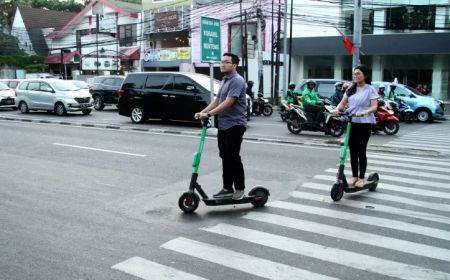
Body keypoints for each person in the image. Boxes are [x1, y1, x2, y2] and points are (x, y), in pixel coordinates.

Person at [194, 52, 247, 200]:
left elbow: (229, 102)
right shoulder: (225, 80)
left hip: (235, 125)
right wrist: (202, 112)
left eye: (226, 62)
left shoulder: (237, 80)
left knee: (233, 157)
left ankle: (240, 189)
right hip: (224, 125)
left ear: (234, 65)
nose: (222, 64)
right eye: (221, 61)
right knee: (225, 157)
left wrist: (209, 115)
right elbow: (218, 101)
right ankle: (227, 188)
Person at [334, 64, 378, 188]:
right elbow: (342, 103)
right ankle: (354, 176)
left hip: (364, 123)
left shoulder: (370, 89)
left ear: (365, 75)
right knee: (352, 150)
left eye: (358, 73)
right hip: (352, 121)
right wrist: (337, 110)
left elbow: (375, 106)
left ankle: (362, 177)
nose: (356, 76)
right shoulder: (351, 89)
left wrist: (365, 112)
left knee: (361, 150)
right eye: (355, 73)